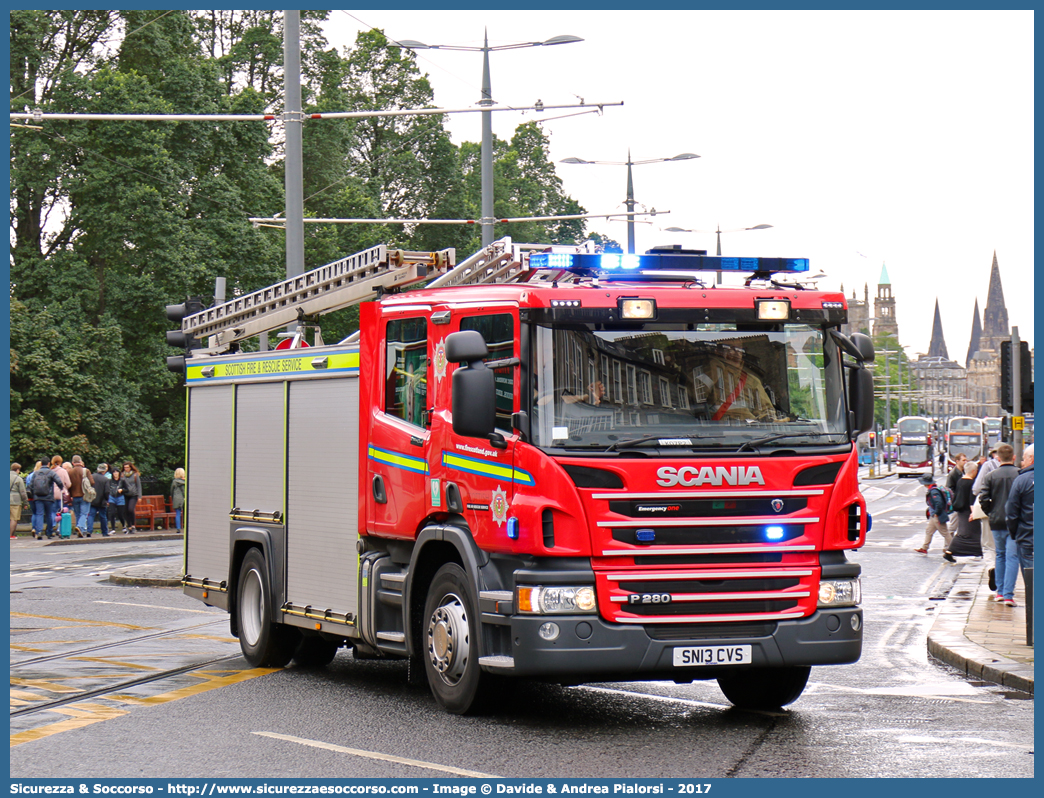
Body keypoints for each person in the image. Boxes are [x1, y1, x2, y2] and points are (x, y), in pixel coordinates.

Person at [978, 443, 1019, 605]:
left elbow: (983, 499)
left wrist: (991, 513)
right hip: (1014, 522)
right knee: (1012, 557)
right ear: (1014, 457)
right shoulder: (1020, 475)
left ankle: (1000, 592)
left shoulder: (990, 476)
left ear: (998, 458)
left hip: (996, 521)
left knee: (1000, 555)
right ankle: (1008, 594)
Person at [1005, 444, 1034, 607]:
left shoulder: (1022, 480)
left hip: (1028, 539)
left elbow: (1011, 512)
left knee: (1031, 582)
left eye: (1024, 458)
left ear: (1031, 459)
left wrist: (1015, 534)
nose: (1022, 462)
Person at [944, 460, 982, 562]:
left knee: (964, 532)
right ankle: (978, 551)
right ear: (973, 471)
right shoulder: (971, 483)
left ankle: (978, 551)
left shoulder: (960, 481)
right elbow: (971, 500)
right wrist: (974, 513)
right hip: (968, 511)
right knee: (968, 532)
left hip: (961, 511)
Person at [916, 472, 953, 554]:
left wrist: (936, 513)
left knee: (945, 533)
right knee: (929, 530)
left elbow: (939, 503)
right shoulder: (933, 489)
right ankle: (924, 548)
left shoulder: (933, 491)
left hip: (937, 516)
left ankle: (952, 549)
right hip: (934, 515)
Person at [972, 448, 1000, 553]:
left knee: (989, 544)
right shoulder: (1016, 470)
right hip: (1009, 512)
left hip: (992, 510)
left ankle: (991, 567)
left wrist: (986, 508)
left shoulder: (988, 466)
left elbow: (976, 489)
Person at [29, 459, 63, 539]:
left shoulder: (36, 473)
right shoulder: (51, 472)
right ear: (48, 463)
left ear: (41, 464)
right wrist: (61, 488)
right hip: (48, 497)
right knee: (49, 514)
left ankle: (39, 531)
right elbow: (59, 482)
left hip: (38, 497)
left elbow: (31, 485)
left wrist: (34, 494)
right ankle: (49, 532)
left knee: (39, 514)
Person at [85, 463, 111, 538]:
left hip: (92, 499)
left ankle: (89, 531)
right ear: (104, 471)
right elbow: (107, 491)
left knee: (91, 515)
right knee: (103, 516)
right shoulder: (105, 479)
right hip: (102, 500)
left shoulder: (92, 477)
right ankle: (105, 532)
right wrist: (107, 499)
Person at [944, 453, 968, 533]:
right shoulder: (953, 474)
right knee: (953, 526)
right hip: (957, 504)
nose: (965, 462)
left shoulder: (964, 472)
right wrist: (957, 499)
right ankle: (948, 544)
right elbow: (949, 489)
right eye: (963, 460)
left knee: (963, 525)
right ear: (957, 461)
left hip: (964, 503)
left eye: (966, 460)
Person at [68, 455, 90, 538]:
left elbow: (68, 485)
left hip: (74, 496)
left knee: (77, 514)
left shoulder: (70, 472)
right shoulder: (86, 471)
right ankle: (80, 527)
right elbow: (92, 482)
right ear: (80, 462)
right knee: (84, 513)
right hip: (84, 495)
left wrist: (70, 495)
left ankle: (80, 531)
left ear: (73, 463)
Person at [122, 462, 142, 534]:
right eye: (125, 467)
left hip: (133, 494)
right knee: (126, 510)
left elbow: (139, 486)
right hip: (125, 494)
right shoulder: (122, 475)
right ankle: (129, 526)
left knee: (130, 509)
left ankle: (133, 525)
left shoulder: (135, 475)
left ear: (130, 467)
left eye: (127, 467)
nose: (126, 469)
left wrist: (139, 496)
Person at [106, 465, 127, 533]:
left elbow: (127, 489)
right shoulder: (110, 481)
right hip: (112, 497)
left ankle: (124, 526)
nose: (115, 473)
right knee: (112, 513)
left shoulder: (122, 481)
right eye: (114, 472)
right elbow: (107, 489)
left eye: (116, 472)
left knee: (120, 514)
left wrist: (122, 490)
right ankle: (113, 529)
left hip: (120, 497)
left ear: (119, 473)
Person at [10, 463, 28, 539]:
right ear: (17, 470)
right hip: (15, 501)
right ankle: (10, 535)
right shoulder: (18, 479)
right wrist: (25, 502)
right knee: (14, 519)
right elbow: (23, 492)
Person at [171, 468, 186, 533]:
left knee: (178, 513)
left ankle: (178, 528)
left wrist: (173, 498)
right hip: (184, 498)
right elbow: (184, 491)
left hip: (177, 498)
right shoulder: (185, 482)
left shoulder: (174, 481)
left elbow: (171, 491)